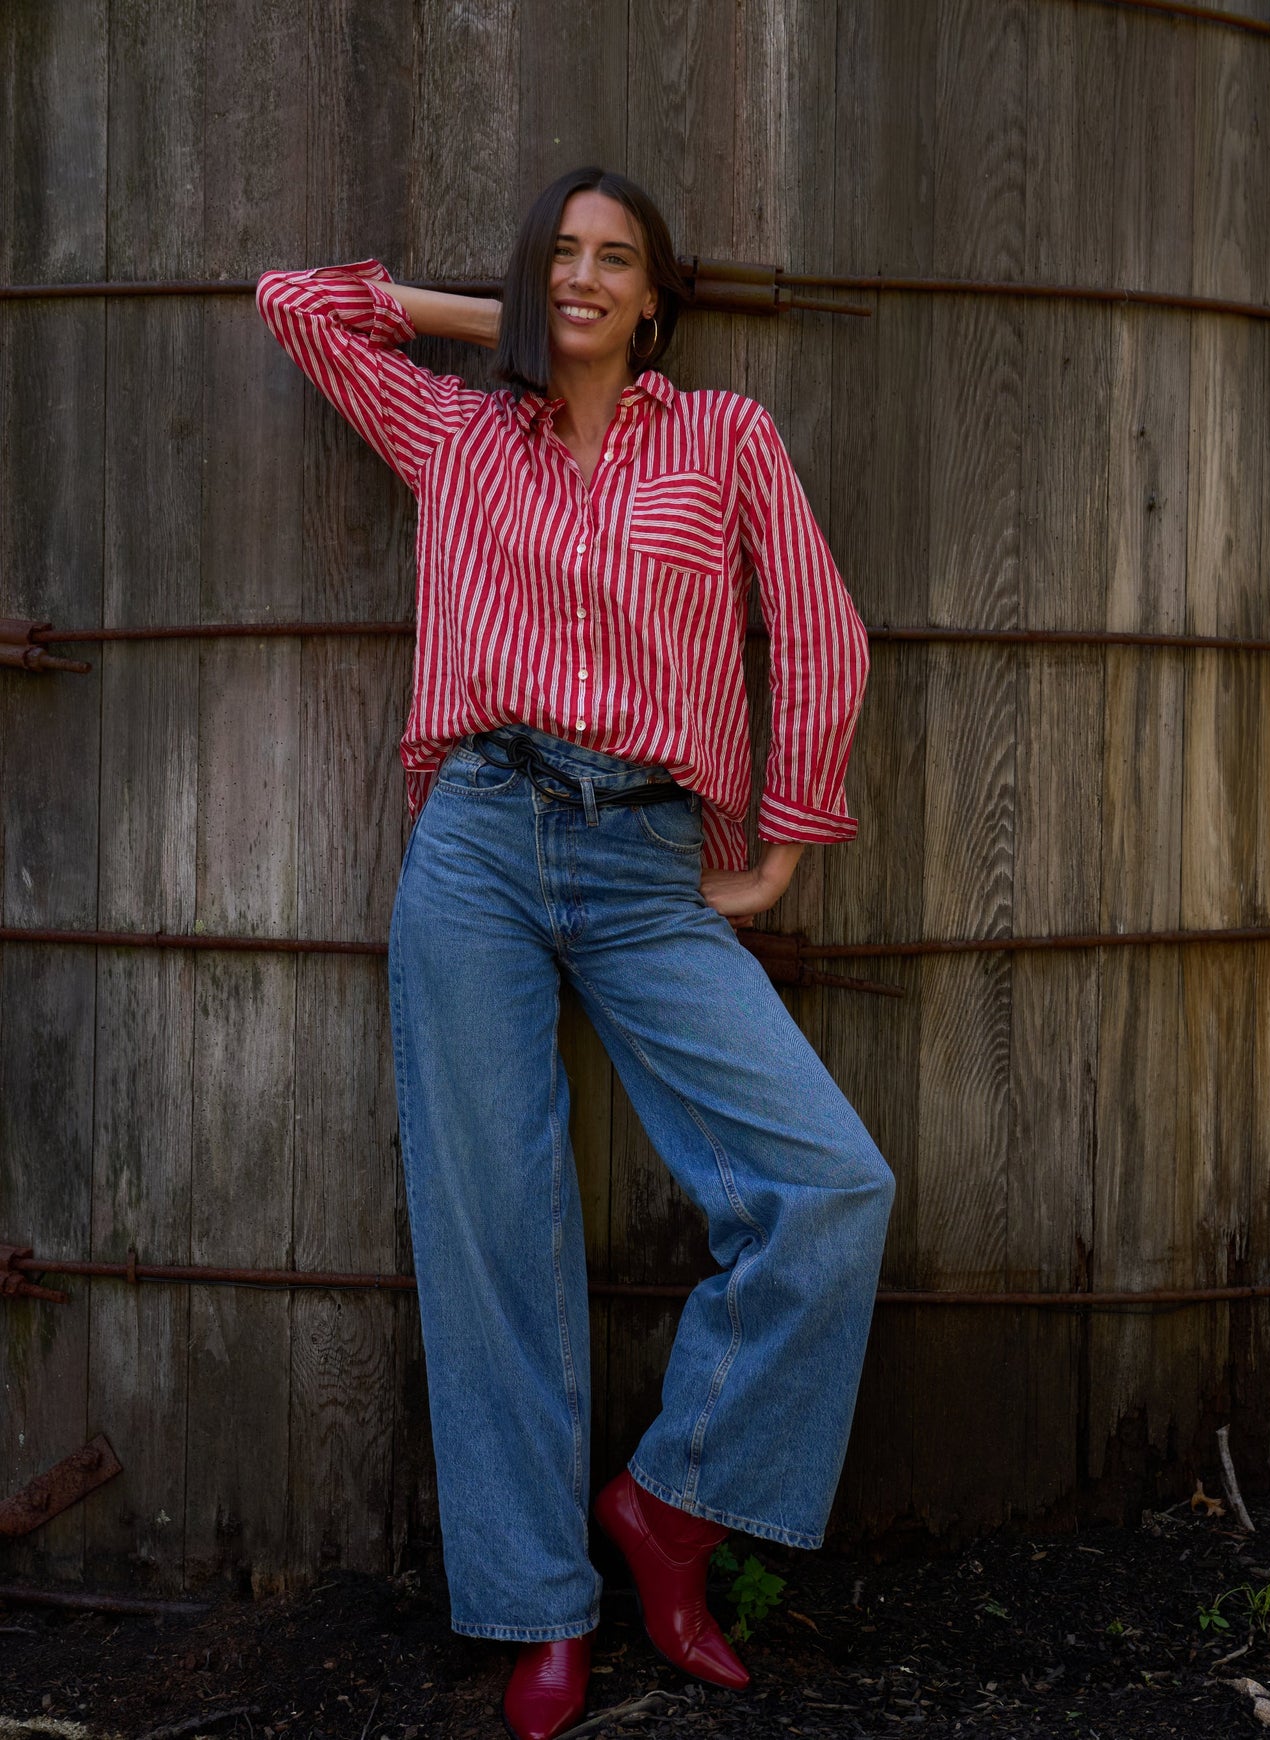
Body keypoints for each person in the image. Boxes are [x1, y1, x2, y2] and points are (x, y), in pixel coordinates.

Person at [256, 166, 895, 1740]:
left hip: (640, 862)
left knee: (828, 1186)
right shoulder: (458, 430)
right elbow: (299, 305)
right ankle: (541, 1610)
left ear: (664, 296)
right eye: (564, 254)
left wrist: (786, 842)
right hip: (474, 842)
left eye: (618, 262)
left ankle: (669, 1507)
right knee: (496, 1237)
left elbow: (816, 625)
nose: (585, 277)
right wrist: (516, 318)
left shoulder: (724, 438)